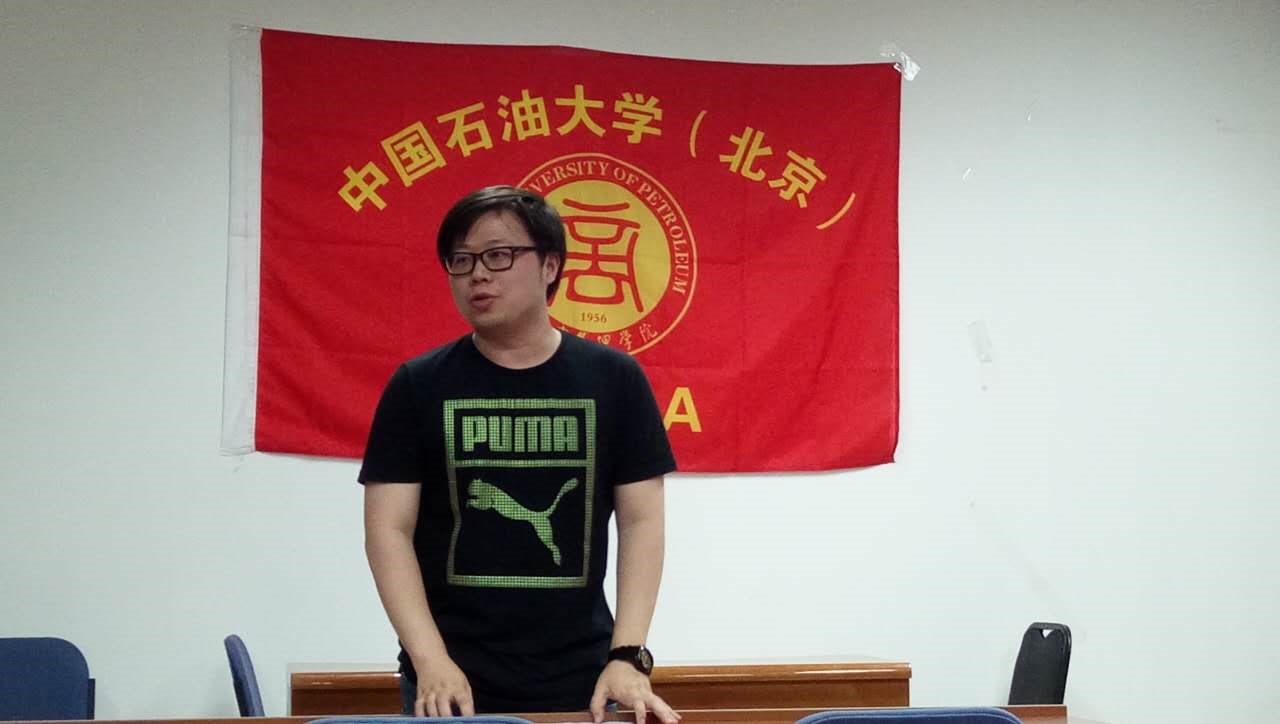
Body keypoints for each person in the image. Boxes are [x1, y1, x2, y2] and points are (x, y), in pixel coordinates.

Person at [359, 185, 679, 724]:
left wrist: (628, 655)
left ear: (550, 265)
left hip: (582, 680)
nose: (477, 275)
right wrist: (430, 659)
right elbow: (387, 531)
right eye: (461, 260)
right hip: (450, 685)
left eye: (498, 255)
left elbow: (642, 521)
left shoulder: (615, 379)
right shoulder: (417, 385)